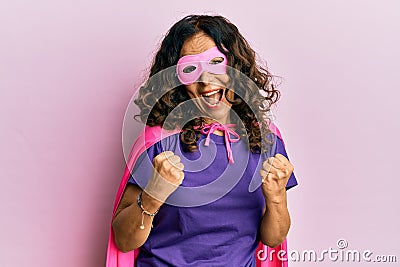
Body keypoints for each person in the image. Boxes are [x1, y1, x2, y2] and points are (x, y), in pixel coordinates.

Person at [107, 14, 298, 267]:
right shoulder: (160, 142)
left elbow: (273, 239)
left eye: (216, 62)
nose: (206, 81)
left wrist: (276, 200)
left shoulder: (266, 139)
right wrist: (153, 195)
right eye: (190, 69)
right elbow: (123, 240)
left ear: (236, 66)